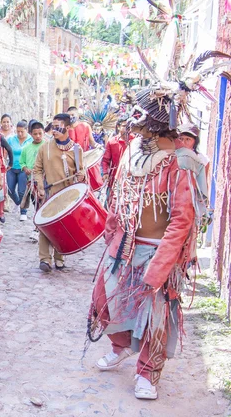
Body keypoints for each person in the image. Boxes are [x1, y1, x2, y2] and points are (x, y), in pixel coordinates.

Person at [89, 88, 198, 400]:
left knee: (155, 314)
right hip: (124, 245)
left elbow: (181, 220)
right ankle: (120, 346)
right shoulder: (132, 151)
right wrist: (112, 235)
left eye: (141, 125)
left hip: (158, 249)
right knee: (107, 298)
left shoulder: (179, 162)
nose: (134, 130)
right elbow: (118, 195)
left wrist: (162, 265)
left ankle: (148, 372)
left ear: (158, 126)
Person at [33, 113, 84, 271]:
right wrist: (40, 186)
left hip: (68, 196)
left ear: (67, 128)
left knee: (63, 227)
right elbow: (37, 170)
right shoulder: (45, 147)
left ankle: (59, 257)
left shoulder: (76, 149)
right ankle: (44, 259)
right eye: (53, 126)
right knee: (45, 226)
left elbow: (81, 171)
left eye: (58, 127)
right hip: (49, 193)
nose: (54, 130)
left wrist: (81, 174)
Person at [7, 121, 33, 220]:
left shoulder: (31, 140)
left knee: (22, 190)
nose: (20, 134)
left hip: (24, 168)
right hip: (12, 167)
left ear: (26, 130)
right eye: (18, 131)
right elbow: (6, 150)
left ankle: (23, 211)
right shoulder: (11, 139)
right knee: (10, 189)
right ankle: (18, 202)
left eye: (22, 131)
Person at [101, 118, 131, 204]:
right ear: (118, 127)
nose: (127, 129)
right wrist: (105, 173)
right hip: (115, 178)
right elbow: (105, 160)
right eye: (125, 126)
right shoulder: (112, 142)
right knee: (112, 203)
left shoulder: (134, 140)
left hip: (130, 178)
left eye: (129, 127)